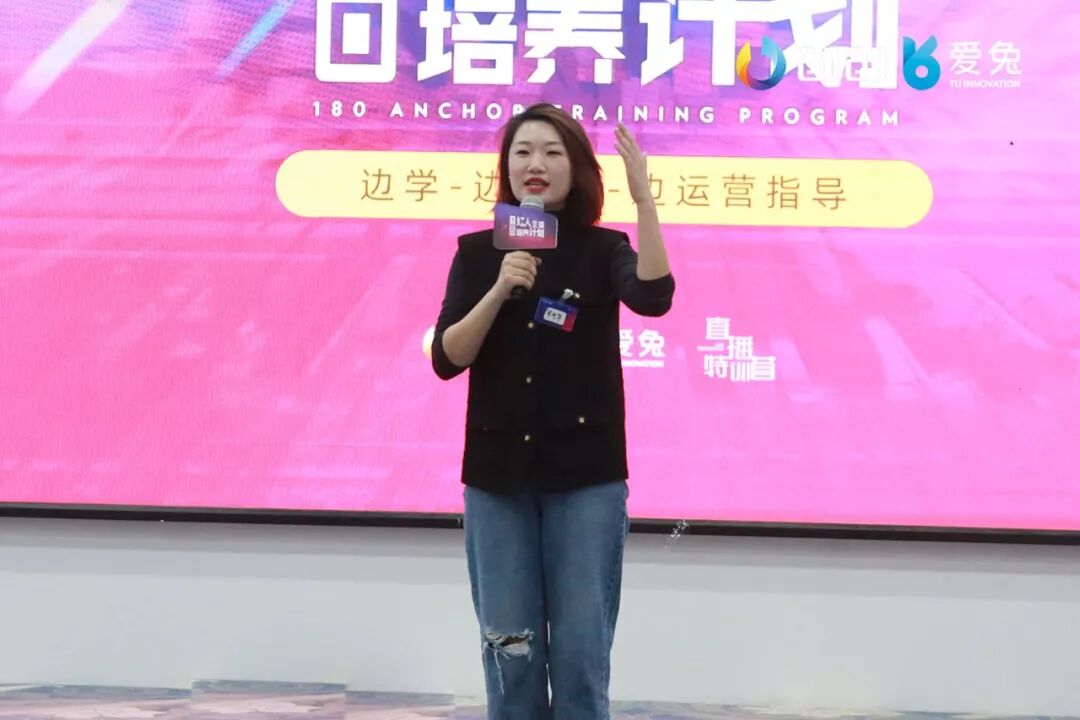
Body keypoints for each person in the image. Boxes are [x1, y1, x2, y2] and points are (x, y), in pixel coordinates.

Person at [430, 103, 675, 720]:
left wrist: (644, 200)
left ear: (576, 168)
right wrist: (499, 288)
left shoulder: (603, 248)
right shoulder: (479, 253)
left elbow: (653, 296)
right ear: (506, 167)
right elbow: (447, 357)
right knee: (510, 653)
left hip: (585, 480)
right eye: (522, 152)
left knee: (580, 657)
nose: (534, 164)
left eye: (551, 152)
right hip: (498, 480)